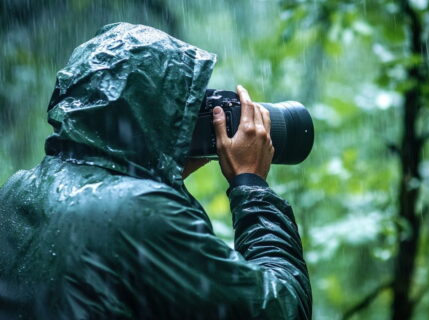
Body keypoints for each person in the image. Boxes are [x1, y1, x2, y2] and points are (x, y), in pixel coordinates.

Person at [0, 23, 312, 319]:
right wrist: (251, 185)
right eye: (182, 108)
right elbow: (281, 307)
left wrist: (162, 169)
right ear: (157, 115)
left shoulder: (18, 191)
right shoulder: (142, 215)